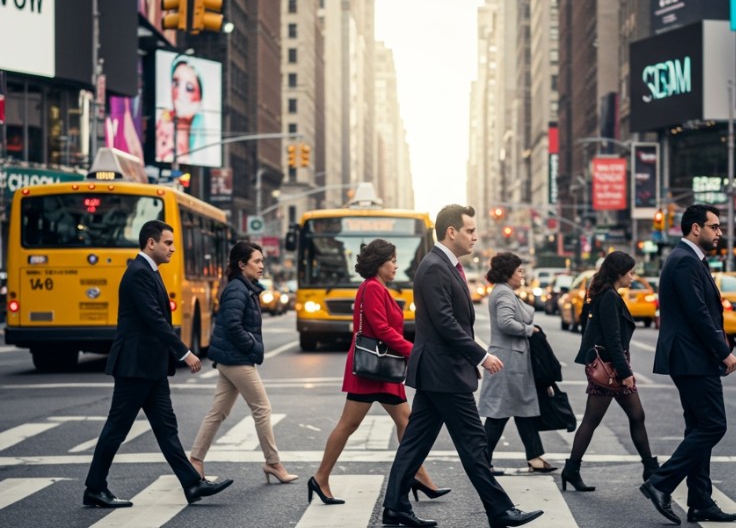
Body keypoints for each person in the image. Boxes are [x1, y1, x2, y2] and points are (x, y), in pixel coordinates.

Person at [382, 205, 543, 528]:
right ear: (451, 232)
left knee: (415, 443)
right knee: (473, 442)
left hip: (441, 370)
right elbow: (445, 322)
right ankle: (500, 510)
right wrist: (480, 355)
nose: (475, 236)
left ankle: (395, 507)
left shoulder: (445, 265)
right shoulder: (434, 267)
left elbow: (452, 321)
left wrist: (469, 359)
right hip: (443, 372)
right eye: (470, 230)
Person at [84, 220, 232, 508]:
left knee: (166, 429)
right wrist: (184, 352)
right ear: (151, 243)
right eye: (168, 243)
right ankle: (95, 487)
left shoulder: (149, 271)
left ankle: (192, 484)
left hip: (150, 368)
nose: (173, 249)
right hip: (135, 367)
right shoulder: (139, 273)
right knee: (117, 428)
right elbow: (155, 320)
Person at [310, 239, 448, 505]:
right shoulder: (372, 287)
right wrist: (413, 351)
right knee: (349, 424)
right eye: (392, 261)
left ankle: (420, 476)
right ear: (379, 262)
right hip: (372, 368)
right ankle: (320, 477)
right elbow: (382, 329)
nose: (396, 265)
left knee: (406, 422)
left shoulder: (380, 287)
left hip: (384, 368)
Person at [640, 204, 736, 525]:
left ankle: (700, 501)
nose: (719, 232)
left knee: (699, 427)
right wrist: (723, 352)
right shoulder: (684, 260)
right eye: (714, 226)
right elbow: (698, 313)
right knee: (713, 425)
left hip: (691, 356)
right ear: (696, 228)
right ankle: (660, 482)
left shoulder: (690, 259)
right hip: (692, 357)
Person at [189, 241, 297, 484]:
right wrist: (253, 345)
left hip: (231, 358)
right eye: (256, 261)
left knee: (218, 412)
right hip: (237, 359)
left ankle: (195, 460)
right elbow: (232, 325)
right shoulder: (238, 289)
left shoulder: (244, 287)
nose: (261, 266)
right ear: (241, 264)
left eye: (262, 261)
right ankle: (273, 463)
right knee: (262, 408)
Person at [564, 251, 657, 492]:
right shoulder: (608, 298)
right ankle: (571, 469)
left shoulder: (607, 295)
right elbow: (613, 339)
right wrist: (625, 373)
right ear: (619, 273)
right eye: (630, 273)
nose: (633, 277)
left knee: (636, 415)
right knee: (593, 420)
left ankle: (650, 467)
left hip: (613, 366)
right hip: (610, 369)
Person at [479, 252, 554, 475]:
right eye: (519, 271)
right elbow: (505, 323)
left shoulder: (505, 291)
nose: (523, 275)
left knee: (522, 409)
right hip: (508, 361)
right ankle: (481, 461)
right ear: (508, 273)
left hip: (512, 359)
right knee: (499, 413)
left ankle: (535, 457)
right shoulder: (503, 293)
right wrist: (530, 330)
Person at [156, 56, 204, 164]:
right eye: (176, 83)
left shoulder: (202, 149)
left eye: (189, 88)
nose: (179, 92)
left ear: (200, 101)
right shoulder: (162, 123)